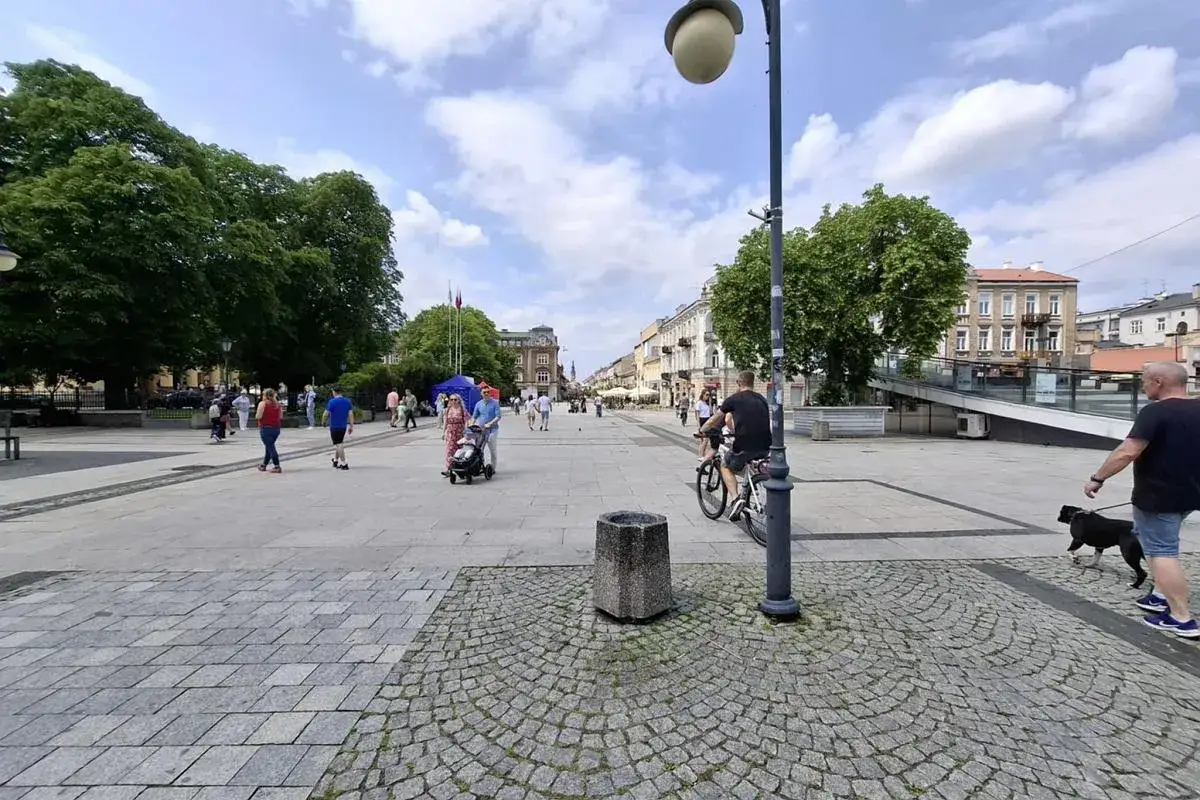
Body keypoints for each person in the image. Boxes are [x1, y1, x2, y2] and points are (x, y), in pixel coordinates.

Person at [1085, 361, 1200, 638]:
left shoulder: (1155, 412)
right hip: (1191, 493)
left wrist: (1098, 478)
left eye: (1145, 380)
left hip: (1158, 496)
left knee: (1162, 552)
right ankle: (1160, 595)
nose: (1142, 385)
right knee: (1155, 543)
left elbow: (1128, 451)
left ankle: (1181, 617)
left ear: (1158, 381)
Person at [697, 371, 771, 522]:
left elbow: (714, 420)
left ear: (738, 382)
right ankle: (753, 487)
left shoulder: (734, 399)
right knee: (747, 463)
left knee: (726, 465)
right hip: (765, 444)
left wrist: (701, 430)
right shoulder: (762, 399)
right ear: (753, 382)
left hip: (745, 442)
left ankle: (736, 499)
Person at [471, 388, 502, 473]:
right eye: (484, 392)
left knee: (492, 449)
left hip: (492, 429)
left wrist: (490, 423)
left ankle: (493, 467)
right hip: (481, 430)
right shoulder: (479, 404)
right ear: (481, 394)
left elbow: (498, 416)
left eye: (488, 392)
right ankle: (481, 465)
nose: (486, 394)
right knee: (479, 449)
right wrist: (471, 424)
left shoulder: (495, 403)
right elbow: (474, 416)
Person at [325, 385, 354, 470]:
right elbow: (351, 414)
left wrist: (323, 421)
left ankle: (344, 463)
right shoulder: (347, 401)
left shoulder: (331, 402)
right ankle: (335, 460)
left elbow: (326, 414)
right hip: (343, 426)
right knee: (339, 443)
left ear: (334, 392)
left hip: (334, 426)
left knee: (339, 444)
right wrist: (351, 426)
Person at [255, 388, 283, 473]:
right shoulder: (278, 404)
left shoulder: (263, 404)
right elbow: (280, 417)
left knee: (271, 447)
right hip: (276, 428)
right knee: (269, 447)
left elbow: (258, 416)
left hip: (265, 428)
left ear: (265, 395)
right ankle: (264, 465)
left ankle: (277, 465)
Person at [441, 394, 467, 477]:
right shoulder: (448, 409)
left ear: (459, 400)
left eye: (455, 399)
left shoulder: (462, 409)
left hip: (459, 431)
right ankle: (448, 469)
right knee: (449, 450)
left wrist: (466, 431)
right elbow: (445, 421)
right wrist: (443, 432)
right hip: (450, 431)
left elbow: (466, 421)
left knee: (459, 451)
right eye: (451, 399)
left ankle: (459, 467)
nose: (453, 401)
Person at [696, 389, 713, 461]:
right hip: (702, 420)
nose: (708, 396)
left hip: (708, 420)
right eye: (706, 395)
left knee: (705, 440)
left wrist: (710, 403)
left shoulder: (707, 403)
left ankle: (703, 455)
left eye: (709, 395)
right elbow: (697, 415)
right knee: (705, 440)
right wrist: (699, 426)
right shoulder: (699, 403)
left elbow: (711, 412)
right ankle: (701, 456)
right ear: (702, 395)